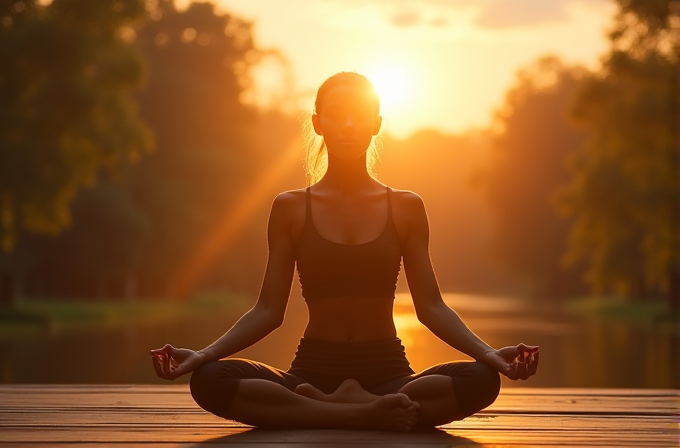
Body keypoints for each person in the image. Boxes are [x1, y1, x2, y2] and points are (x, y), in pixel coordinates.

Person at [150, 72, 539, 432]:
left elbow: (431, 307)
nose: (349, 126)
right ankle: (366, 412)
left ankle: (320, 411)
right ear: (319, 124)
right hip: (311, 372)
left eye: (360, 116)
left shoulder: (405, 207)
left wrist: (490, 355)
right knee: (209, 380)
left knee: (482, 380)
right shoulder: (290, 207)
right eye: (337, 115)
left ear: (376, 124)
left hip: (388, 370)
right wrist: (203, 355)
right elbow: (268, 311)